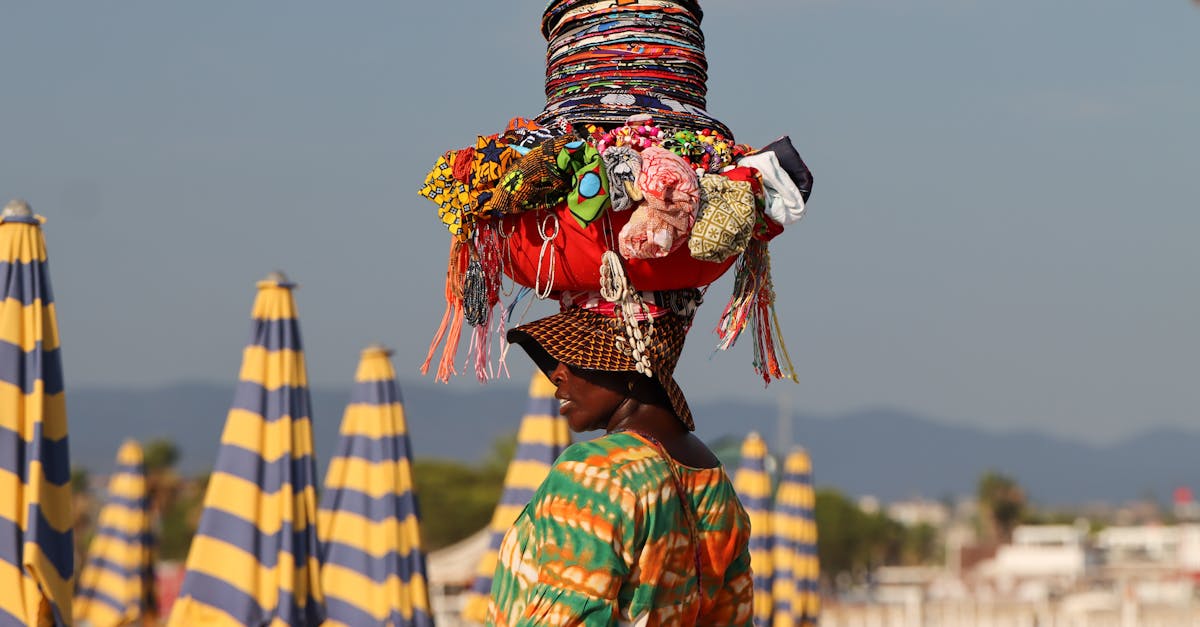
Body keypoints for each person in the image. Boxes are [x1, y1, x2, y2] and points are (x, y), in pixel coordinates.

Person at [486, 299, 755, 626]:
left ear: (628, 369)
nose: (557, 374)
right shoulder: (715, 479)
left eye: (573, 357)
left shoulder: (596, 471)